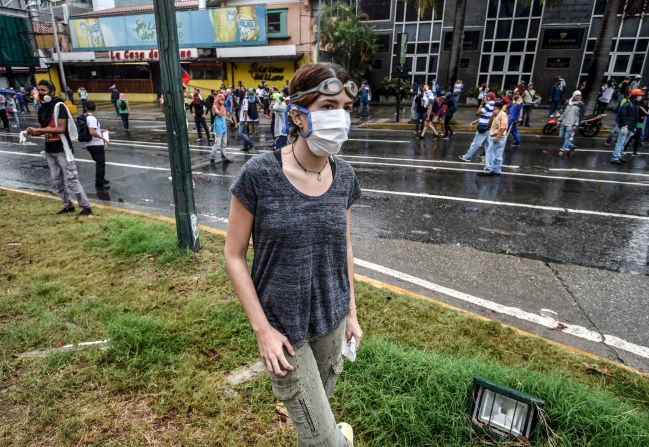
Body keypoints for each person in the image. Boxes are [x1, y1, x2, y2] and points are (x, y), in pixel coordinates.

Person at [224, 62, 361, 447]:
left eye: (347, 109)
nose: (341, 118)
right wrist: (262, 331)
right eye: (329, 107)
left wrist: (351, 314)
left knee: (314, 424)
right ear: (298, 115)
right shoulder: (259, 175)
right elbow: (233, 255)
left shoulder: (345, 175)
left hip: (331, 322)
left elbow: (345, 246)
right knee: (323, 440)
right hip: (284, 331)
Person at [25, 80, 92, 216]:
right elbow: (43, 130)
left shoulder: (59, 106)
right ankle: (68, 206)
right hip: (49, 150)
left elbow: (61, 129)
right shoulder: (43, 108)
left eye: (43, 90)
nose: (40, 93)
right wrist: (30, 131)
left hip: (62, 150)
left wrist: (39, 129)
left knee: (71, 180)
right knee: (56, 181)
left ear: (52, 92)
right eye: (39, 90)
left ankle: (86, 207)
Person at [459, 92, 495, 161]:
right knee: (488, 144)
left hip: (483, 127)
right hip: (489, 127)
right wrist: (476, 121)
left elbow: (477, 113)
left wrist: (481, 104)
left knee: (475, 143)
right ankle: (489, 158)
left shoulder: (488, 105)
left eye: (486, 97)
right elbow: (487, 116)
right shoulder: (494, 105)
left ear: (488, 98)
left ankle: (467, 157)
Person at [611, 88, 643, 164]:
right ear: (635, 96)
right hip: (625, 127)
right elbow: (622, 115)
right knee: (620, 143)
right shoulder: (627, 104)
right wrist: (624, 125)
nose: (640, 97)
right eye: (639, 95)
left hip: (631, 127)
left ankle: (618, 156)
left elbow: (636, 117)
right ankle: (615, 158)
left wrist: (634, 127)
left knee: (624, 143)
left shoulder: (634, 104)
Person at [84, 101, 110, 191]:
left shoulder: (86, 117)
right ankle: (99, 184)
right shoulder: (92, 118)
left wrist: (101, 130)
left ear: (86, 108)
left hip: (90, 144)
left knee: (99, 163)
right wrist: (103, 139)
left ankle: (102, 179)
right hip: (96, 144)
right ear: (95, 108)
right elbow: (92, 132)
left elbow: (93, 129)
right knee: (100, 165)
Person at [478, 101, 508, 176]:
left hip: (498, 137)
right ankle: (496, 170)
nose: (493, 108)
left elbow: (504, 127)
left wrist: (497, 136)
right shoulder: (496, 115)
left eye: (494, 107)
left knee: (489, 152)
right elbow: (489, 125)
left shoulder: (503, 115)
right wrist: (492, 116)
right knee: (498, 154)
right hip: (497, 136)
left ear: (497, 107)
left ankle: (488, 170)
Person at [558, 91, 584, 158]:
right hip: (564, 122)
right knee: (561, 136)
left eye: (579, 95)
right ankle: (571, 145)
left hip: (571, 124)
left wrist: (576, 125)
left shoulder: (581, 104)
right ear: (573, 95)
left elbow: (580, 116)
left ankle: (562, 150)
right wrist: (559, 119)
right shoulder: (567, 102)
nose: (578, 97)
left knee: (567, 138)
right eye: (577, 95)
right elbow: (563, 111)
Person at [210, 93, 232, 165]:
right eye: (222, 99)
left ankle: (224, 157)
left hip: (223, 126)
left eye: (224, 99)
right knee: (217, 144)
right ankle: (212, 159)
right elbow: (219, 114)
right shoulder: (214, 106)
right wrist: (222, 105)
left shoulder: (222, 106)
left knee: (224, 144)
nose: (223, 100)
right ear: (218, 99)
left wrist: (229, 119)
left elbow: (223, 115)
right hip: (218, 126)